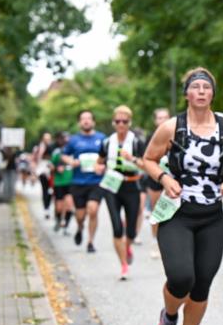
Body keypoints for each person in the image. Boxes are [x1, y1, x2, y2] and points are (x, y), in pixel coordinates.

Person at [142, 68, 223, 325]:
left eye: (206, 87)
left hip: (212, 216)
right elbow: (147, 159)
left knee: (202, 284)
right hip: (177, 213)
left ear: (212, 93)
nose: (201, 91)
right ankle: (169, 316)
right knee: (181, 276)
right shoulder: (172, 128)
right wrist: (163, 178)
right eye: (195, 87)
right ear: (187, 93)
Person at [96, 106, 145, 280]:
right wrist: (98, 167)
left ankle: (128, 245)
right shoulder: (107, 142)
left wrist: (131, 158)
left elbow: (146, 164)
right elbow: (99, 161)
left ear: (130, 123)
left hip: (131, 186)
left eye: (125, 121)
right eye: (118, 121)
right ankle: (124, 265)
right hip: (111, 187)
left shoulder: (137, 142)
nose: (121, 124)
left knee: (131, 231)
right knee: (117, 228)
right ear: (113, 123)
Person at [63, 110, 107, 253]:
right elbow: (64, 155)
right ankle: (80, 227)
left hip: (96, 181)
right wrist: (71, 161)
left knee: (93, 210)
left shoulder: (102, 138)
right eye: (83, 119)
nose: (86, 121)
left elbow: (110, 156)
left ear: (93, 122)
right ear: (79, 122)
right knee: (80, 215)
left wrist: (103, 165)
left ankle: (90, 241)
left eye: (89, 118)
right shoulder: (74, 140)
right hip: (78, 182)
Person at [144, 108, 172, 259]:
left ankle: (170, 242)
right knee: (157, 211)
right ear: (155, 121)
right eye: (159, 118)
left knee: (173, 211)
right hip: (155, 178)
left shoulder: (177, 134)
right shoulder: (151, 137)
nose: (162, 120)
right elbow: (146, 160)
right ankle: (155, 241)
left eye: (165, 117)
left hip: (173, 178)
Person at [50, 132, 73, 234]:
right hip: (59, 182)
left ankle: (66, 226)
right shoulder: (57, 153)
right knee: (59, 207)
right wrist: (56, 168)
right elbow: (50, 165)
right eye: (64, 139)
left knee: (69, 205)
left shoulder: (73, 153)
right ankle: (58, 220)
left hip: (70, 182)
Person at [32, 132, 54, 218]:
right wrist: (34, 173)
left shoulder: (53, 147)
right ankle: (46, 209)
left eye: (49, 139)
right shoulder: (38, 148)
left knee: (51, 191)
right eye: (46, 139)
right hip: (41, 171)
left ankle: (50, 208)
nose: (47, 141)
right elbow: (34, 160)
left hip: (52, 171)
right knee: (45, 190)